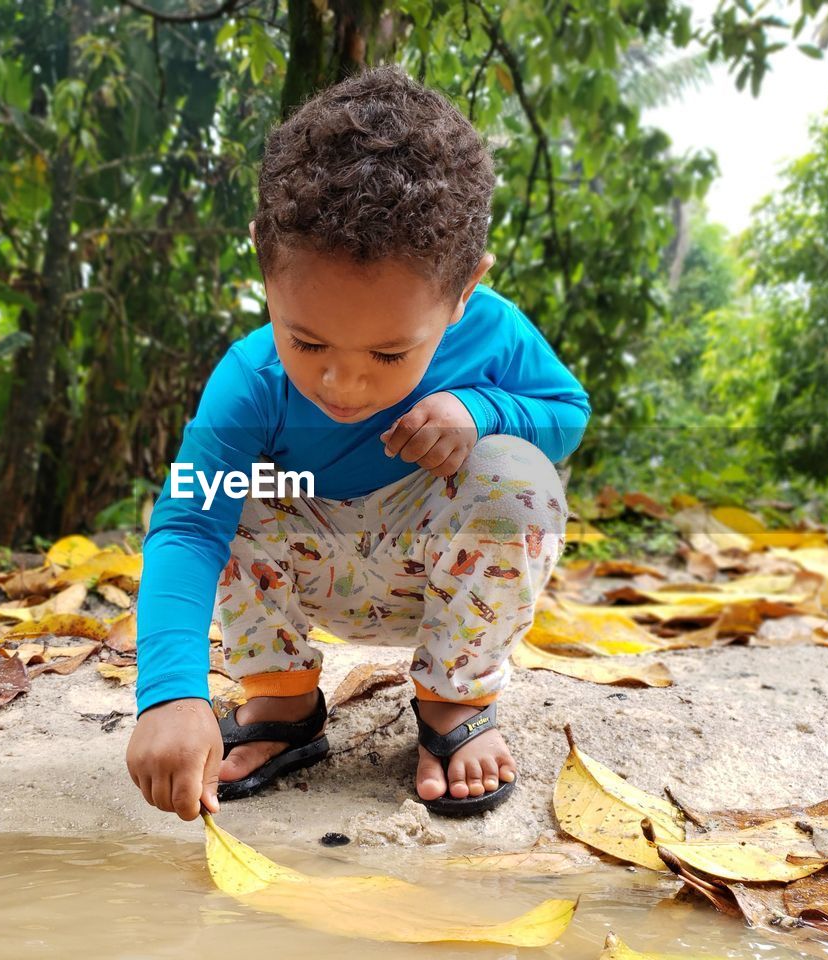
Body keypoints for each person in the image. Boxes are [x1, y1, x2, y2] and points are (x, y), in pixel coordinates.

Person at [125, 64, 590, 822]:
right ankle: (282, 704)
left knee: (520, 476)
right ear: (263, 263)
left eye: (387, 355)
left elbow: (567, 414)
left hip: (439, 574)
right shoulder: (250, 381)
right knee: (214, 491)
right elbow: (186, 528)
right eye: (306, 342)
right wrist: (170, 694)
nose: (341, 384)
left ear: (464, 288)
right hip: (305, 570)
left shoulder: (496, 332)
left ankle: (452, 702)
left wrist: (481, 409)